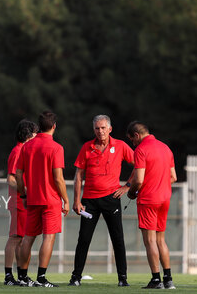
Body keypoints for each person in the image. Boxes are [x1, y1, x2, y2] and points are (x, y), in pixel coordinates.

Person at [68, 115, 135, 287]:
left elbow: (139, 164)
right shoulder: (87, 147)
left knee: (117, 239)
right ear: (94, 130)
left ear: (110, 129)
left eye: (103, 128)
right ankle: (76, 277)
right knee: (83, 239)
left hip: (111, 198)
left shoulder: (120, 146)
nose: (100, 131)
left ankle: (122, 278)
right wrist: (76, 200)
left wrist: (127, 186)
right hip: (89, 201)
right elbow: (78, 175)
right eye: (97, 128)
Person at [16, 110, 70, 287]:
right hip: (51, 200)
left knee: (28, 237)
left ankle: (23, 277)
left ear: (39, 127)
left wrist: (23, 194)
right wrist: (66, 199)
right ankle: (41, 278)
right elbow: (58, 178)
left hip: (32, 198)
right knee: (48, 238)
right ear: (54, 126)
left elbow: (18, 174)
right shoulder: (56, 148)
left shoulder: (27, 146)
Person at [126, 121, 177, 289]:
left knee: (150, 241)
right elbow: (173, 177)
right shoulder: (165, 148)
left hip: (149, 199)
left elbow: (138, 180)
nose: (133, 144)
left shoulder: (141, 150)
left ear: (136, 136)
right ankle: (168, 279)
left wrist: (132, 192)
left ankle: (156, 280)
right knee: (161, 240)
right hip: (165, 198)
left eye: (132, 140)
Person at [3, 119, 39, 285]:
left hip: (25, 202)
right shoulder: (18, 151)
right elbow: (10, 178)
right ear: (28, 134)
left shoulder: (25, 151)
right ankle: (9, 276)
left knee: (21, 240)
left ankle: (22, 276)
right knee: (15, 239)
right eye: (35, 133)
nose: (37, 136)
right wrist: (24, 191)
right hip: (19, 201)